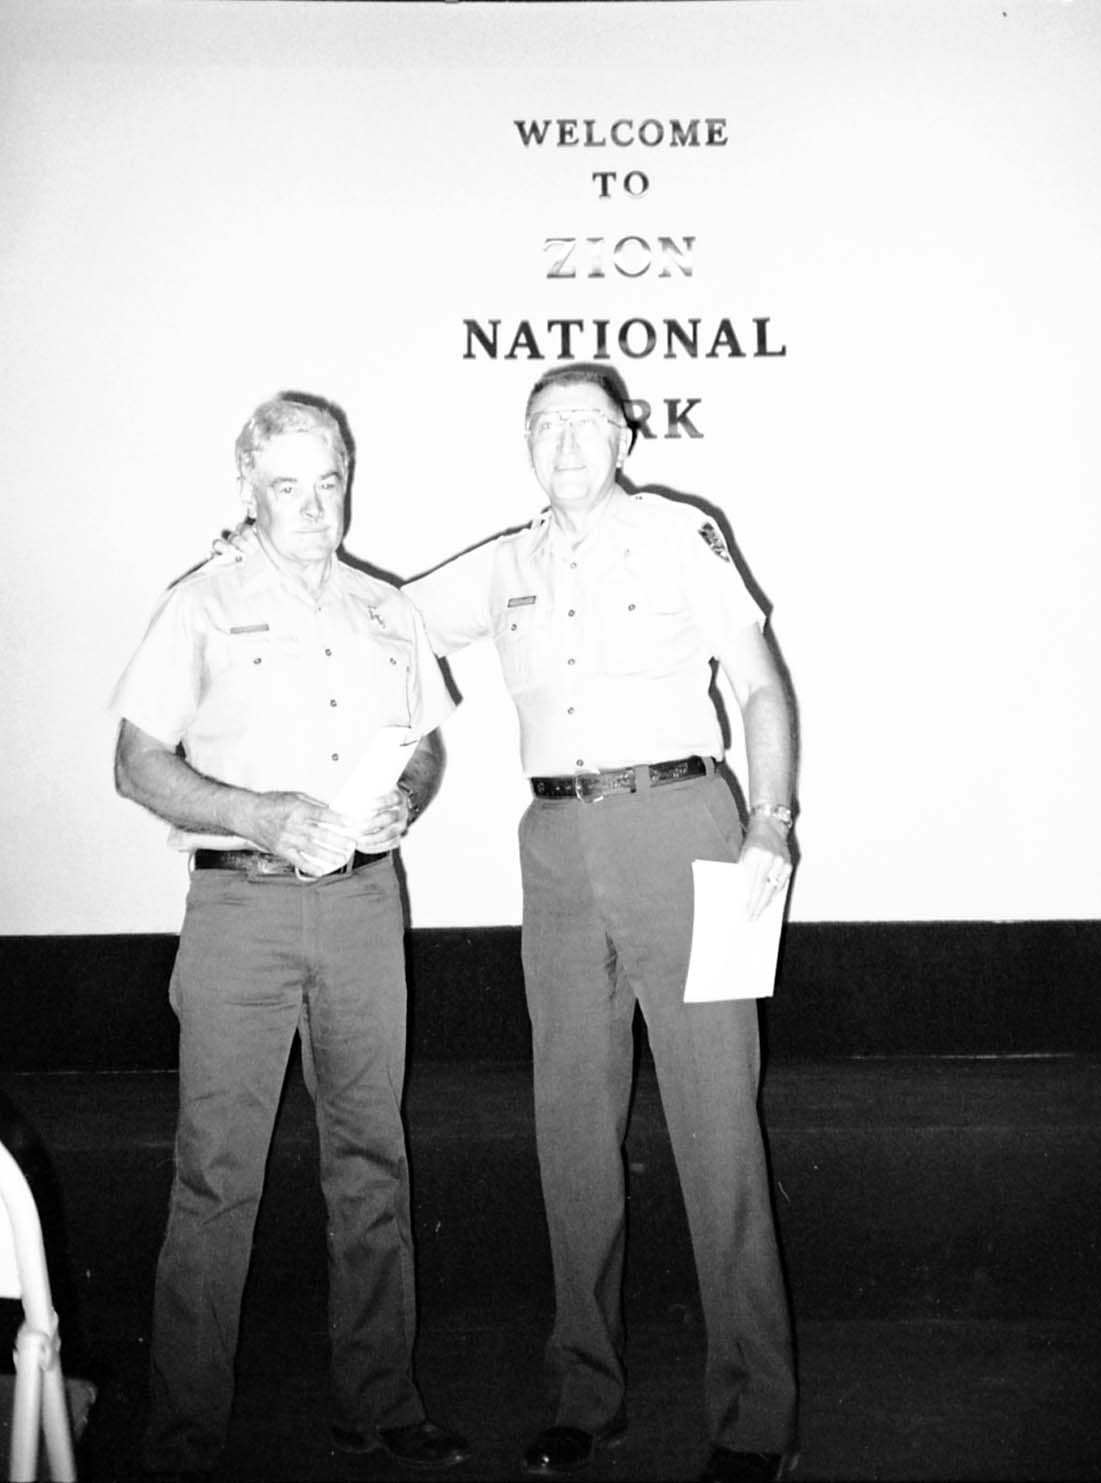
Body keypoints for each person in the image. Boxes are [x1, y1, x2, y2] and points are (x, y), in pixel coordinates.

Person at [405, 364, 800, 1483]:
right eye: (546, 424)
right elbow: (376, 618)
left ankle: (755, 1416)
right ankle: (586, 1391)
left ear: (628, 432)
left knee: (719, 1126)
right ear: (523, 443)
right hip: (558, 846)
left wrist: (769, 823)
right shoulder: (502, 565)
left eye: (587, 421)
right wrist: (267, 554)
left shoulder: (683, 534)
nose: (567, 441)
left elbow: (763, 686)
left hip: (685, 825)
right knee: (571, 1125)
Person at [112, 395, 470, 1482]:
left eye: (328, 481)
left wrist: (408, 797)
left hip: (364, 904)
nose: (313, 506)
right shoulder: (200, 604)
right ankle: (184, 1434)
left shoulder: (386, 607)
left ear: (350, 476)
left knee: (372, 1158)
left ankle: (379, 1404)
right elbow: (137, 763)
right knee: (215, 1174)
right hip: (241, 911)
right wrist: (258, 813)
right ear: (248, 490)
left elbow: (426, 748)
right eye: (287, 486)